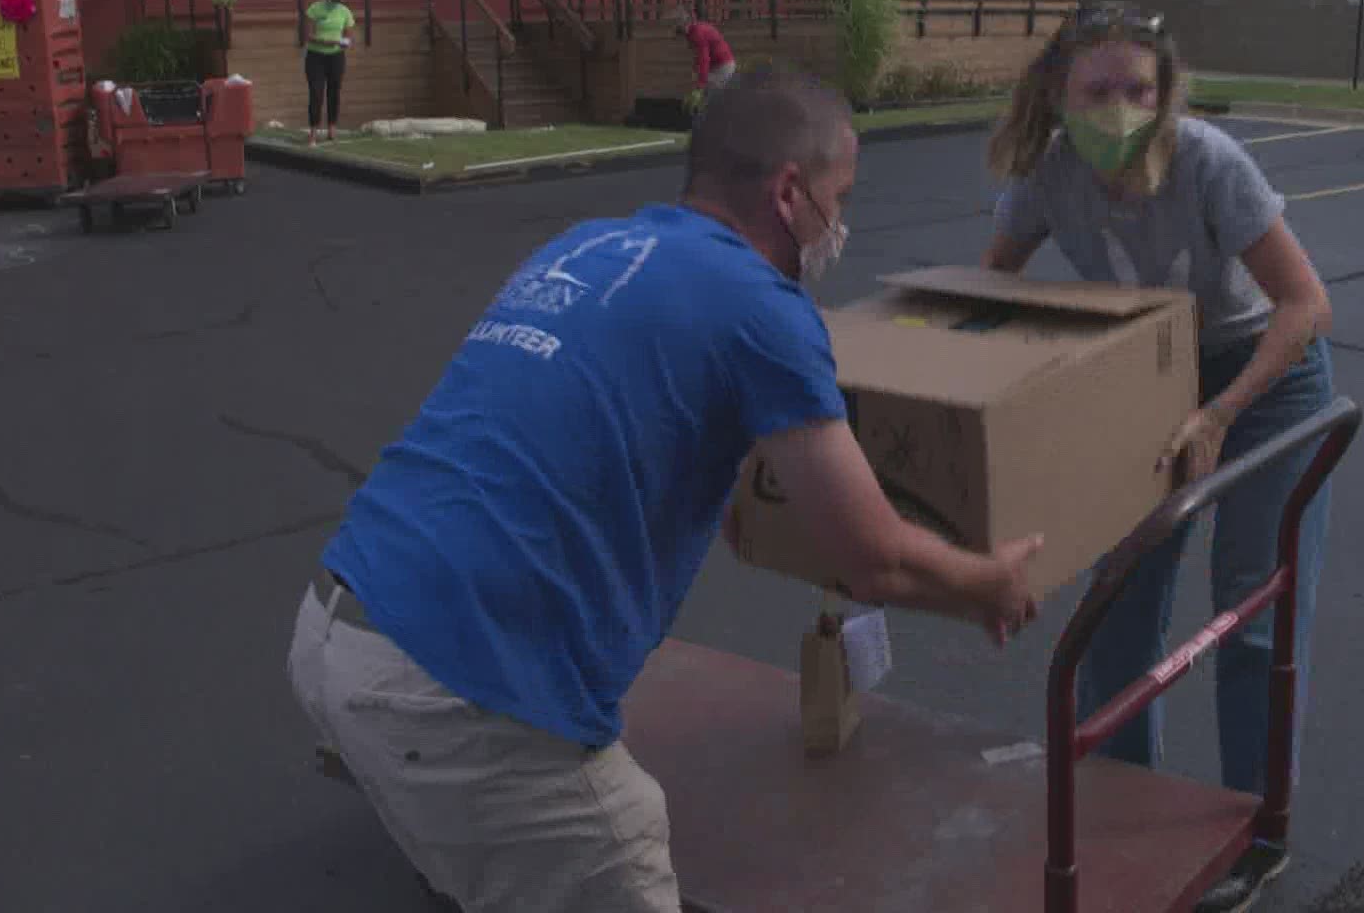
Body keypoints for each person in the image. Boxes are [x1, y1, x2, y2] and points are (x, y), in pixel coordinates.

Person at [285, 64, 1045, 913]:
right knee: (619, 849)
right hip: (452, 687)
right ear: (793, 192)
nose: (844, 221)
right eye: (843, 192)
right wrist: (989, 581)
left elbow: (687, 471)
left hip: (336, 625)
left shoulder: (588, 246)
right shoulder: (761, 306)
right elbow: (872, 559)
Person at [979, 2, 1337, 913]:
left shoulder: (1208, 163)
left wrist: (1220, 412)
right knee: (1121, 607)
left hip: (1262, 376)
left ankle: (1259, 834)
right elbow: (989, 289)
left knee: (1251, 613)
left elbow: (1305, 306)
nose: (1119, 108)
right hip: (1149, 378)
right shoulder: (1047, 174)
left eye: (1139, 89)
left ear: (1166, 93)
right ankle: (1127, 812)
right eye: (1097, 90)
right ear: (1059, 94)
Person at [304, 0, 355, 146]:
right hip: (315, 57)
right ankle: (313, 131)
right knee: (316, 93)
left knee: (334, 91)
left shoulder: (345, 12)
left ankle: (332, 128)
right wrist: (327, 42)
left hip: (336, 58)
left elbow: (348, 35)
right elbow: (308, 35)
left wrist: (345, 42)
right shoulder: (315, 8)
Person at [672, 6, 736, 109]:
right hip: (717, 65)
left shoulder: (697, 33)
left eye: (680, 29)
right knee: (705, 93)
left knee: (709, 96)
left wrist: (700, 84)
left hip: (723, 67)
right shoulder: (693, 32)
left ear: (684, 24)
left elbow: (704, 59)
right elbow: (698, 57)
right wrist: (695, 72)